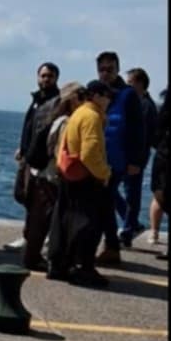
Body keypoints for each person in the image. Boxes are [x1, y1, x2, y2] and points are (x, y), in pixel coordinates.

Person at [46, 80, 112, 288]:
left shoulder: (78, 113)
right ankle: (83, 268)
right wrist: (104, 172)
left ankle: (59, 265)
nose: (109, 101)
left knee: (64, 220)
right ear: (97, 96)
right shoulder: (92, 116)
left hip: (69, 175)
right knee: (88, 224)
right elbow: (89, 152)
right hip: (86, 178)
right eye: (107, 96)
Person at [21, 82, 84, 271]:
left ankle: (33, 256)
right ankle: (34, 258)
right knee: (44, 220)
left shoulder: (53, 118)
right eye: (81, 96)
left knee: (39, 219)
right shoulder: (65, 122)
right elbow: (58, 151)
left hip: (41, 174)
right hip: (50, 175)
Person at [94, 52, 144, 266]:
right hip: (98, 159)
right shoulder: (97, 92)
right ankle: (109, 246)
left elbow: (138, 129)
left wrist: (135, 161)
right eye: (102, 69)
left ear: (117, 69)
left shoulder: (128, 95)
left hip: (118, 160)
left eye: (110, 69)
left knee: (105, 201)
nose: (106, 73)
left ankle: (111, 247)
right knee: (104, 203)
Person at [6, 62, 60, 252]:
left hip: (43, 160)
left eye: (50, 76)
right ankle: (29, 235)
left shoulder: (56, 102)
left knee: (41, 201)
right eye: (43, 75)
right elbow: (29, 127)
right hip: (28, 156)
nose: (46, 79)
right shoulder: (37, 100)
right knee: (24, 195)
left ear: (56, 78)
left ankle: (37, 238)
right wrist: (22, 148)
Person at [116, 68, 157, 247]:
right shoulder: (134, 103)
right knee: (114, 190)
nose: (127, 86)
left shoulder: (146, 106)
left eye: (130, 83)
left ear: (140, 83)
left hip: (135, 156)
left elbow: (144, 136)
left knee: (132, 193)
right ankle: (132, 224)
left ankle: (128, 229)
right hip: (124, 154)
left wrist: (137, 160)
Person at [149, 87, 169, 260]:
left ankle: (154, 232)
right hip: (164, 155)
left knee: (160, 194)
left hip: (164, 156)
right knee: (160, 194)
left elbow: (157, 133)